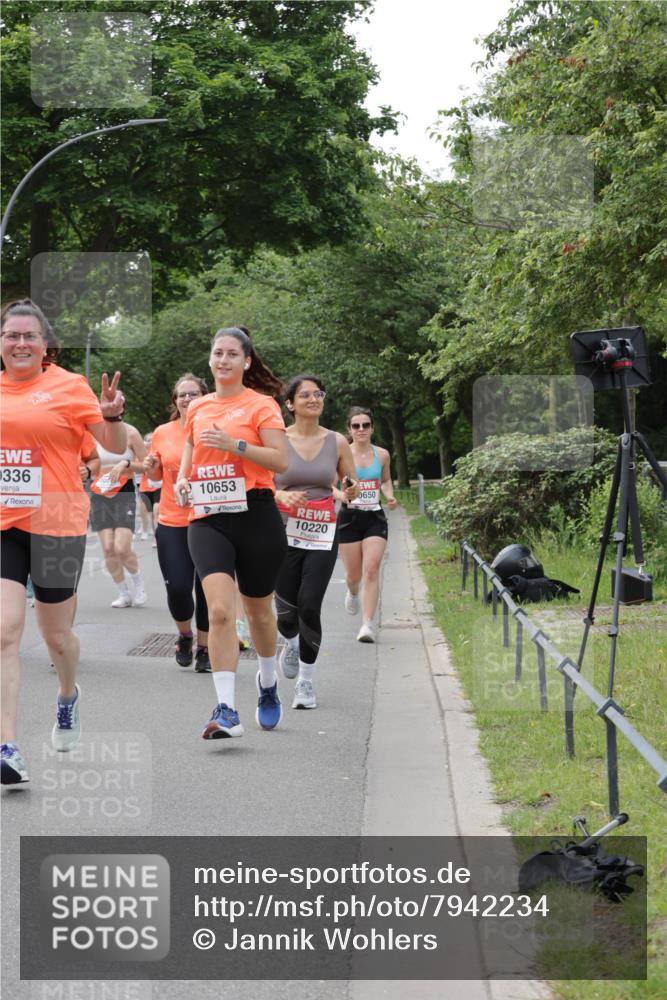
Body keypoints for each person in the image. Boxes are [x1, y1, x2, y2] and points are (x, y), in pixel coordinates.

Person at [1, 298, 126, 784]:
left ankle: (68, 695)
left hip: (56, 525)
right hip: (5, 526)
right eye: (12, 335)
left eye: (30, 335)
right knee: (7, 631)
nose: (21, 343)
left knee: (56, 638)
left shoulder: (70, 387)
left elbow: (111, 449)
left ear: (46, 344)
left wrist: (112, 416)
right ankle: (8, 745)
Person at [175, 325, 288, 739]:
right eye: (217, 353)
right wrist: (182, 479)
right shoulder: (199, 407)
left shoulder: (262, 406)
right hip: (207, 516)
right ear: (210, 359)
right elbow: (190, 446)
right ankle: (226, 709)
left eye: (231, 354)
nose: (222, 360)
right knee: (220, 611)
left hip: (256, 513)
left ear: (246, 361)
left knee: (258, 612)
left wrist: (234, 445)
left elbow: (280, 461)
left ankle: (268, 680)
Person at [274, 375, 356, 709]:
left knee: (309, 604)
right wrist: (281, 495)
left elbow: (353, 485)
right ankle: (290, 642)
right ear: (290, 404)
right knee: (285, 611)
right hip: (280, 530)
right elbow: (262, 483)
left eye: (318, 393)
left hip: (322, 530)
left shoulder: (337, 442)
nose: (313, 399)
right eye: (305, 395)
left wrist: (351, 490)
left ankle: (306, 684)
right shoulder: (277, 439)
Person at [144, 374, 211, 671]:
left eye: (192, 393)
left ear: (204, 396)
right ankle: (185, 634)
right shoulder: (163, 432)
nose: (186, 399)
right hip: (173, 520)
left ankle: (206, 648)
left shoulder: (214, 430)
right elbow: (156, 477)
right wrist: (153, 466)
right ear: (175, 401)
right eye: (181, 395)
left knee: (208, 589)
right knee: (179, 588)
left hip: (210, 519)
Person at [335, 406, 397, 643]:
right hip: (349, 518)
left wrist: (389, 494)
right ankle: (352, 593)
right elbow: (329, 484)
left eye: (366, 425)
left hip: (374, 517)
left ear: (372, 428)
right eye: (356, 426)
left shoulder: (382, 455)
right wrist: (341, 496)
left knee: (371, 570)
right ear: (349, 429)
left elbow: (386, 479)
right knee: (353, 576)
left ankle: (367, 625)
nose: (361, 429)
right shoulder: (342, 454)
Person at [89, 417, 148, 608]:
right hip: (100, 492)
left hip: (124, 491)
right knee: (108, 548)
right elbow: (87, 462)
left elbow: (147, 466)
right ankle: (123, 593)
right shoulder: (92, 434)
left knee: (121, 547)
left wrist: (125, 464)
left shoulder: (130, 433)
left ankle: (138, 584)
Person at [137, 432, 160, 543]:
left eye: (151, 439)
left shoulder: (159, 452)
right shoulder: (141, 454)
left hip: (159, 486)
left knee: (157, 511)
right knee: (150, 514)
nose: (149, 441)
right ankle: (150, 531)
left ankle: (156, 538)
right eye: (147, 439)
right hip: (145, 487)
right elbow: (137, 469)